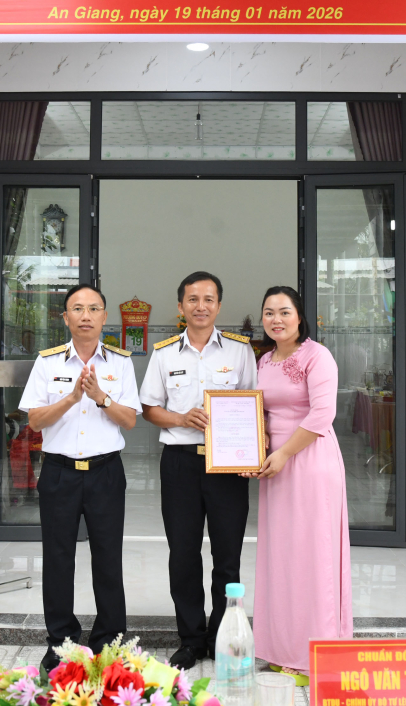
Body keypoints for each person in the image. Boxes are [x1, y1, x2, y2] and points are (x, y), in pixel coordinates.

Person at [17, 284, 142, 671]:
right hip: (59, 473)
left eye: (93, 308)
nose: (85, 315)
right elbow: (34, 420)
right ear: (65, 317)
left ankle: (109, 644)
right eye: (77, 308)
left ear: (105, 317)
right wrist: (71, 398)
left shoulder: (120, 363)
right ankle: (61, 643)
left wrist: (101, 396)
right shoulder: (48, 363)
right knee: (58, 560)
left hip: (106, 473)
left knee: (108, 559)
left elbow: (130, 420)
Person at [140, 271, 257, 669]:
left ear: (219, 306)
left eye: (208, 299)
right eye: (193, 299)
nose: (201, 306)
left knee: (228, 555)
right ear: (180, 306)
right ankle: (190, 639)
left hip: (227, 465)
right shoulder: (164, 353)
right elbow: (149, 408)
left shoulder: (240, 352)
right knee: (183, 553)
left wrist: (251, 454)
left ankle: (222, 636)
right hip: (180, 463)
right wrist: (180, 418)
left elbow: (254, 406)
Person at [242, 286, 352, 681]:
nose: (276, 319)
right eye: (269, 312)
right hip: (277, 467)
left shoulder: (317, 356)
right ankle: (281, 647)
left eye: (284, 312)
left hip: (310, 462)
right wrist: (251, 451)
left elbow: (323, 414)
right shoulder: (265, 360)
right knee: (282, 556)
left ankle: (312, 653)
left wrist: (285, 453)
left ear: (299, 316)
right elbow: (259, 412)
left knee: (313, 555)